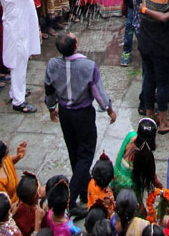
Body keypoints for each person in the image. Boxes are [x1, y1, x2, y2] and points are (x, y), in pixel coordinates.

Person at [44, 32, 116, 216]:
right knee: (85, 154)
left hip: (65, 113)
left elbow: (49, 87)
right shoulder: (88, 66)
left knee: (74, 151)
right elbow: (98, 92)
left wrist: (51, 107)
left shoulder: (53, 65)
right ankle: (70, 199)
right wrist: (108, 109)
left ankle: (84, 191)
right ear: (75, 46)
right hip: (83, 114)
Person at [0, 0, 55, 113]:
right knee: (19, 63)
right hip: (16, 29)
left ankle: (16, 90)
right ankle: (18, 101)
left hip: (22, 26)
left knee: (22, 61)